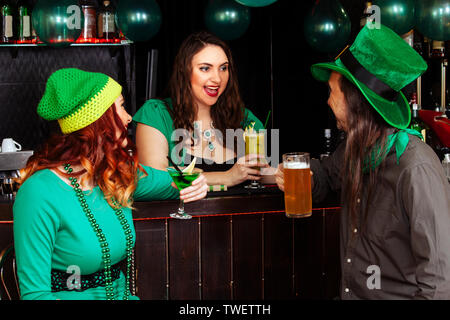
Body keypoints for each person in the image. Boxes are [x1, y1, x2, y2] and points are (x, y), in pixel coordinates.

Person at [276, 24, 450, 299]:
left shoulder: (417, 168)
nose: (328, 101)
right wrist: (303, 178)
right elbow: (325, 176)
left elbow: (439, 285)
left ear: (354, 100)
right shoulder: (354, 150)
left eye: (332, 91)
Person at [13, 68, 208, 300]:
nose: (128, 117)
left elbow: (170, 181)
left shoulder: (113, 175)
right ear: (97, 120)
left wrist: (194, 181)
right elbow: (35, 296)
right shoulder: (39, 193)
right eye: (121, 107)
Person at [133, 31, 272, 188]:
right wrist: (226, 177)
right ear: (185, 71)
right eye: (205, 68)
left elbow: (256, 174)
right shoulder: (156, 114)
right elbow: (155, 179)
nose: (217, 79)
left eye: (223, 68)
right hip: (183, 213)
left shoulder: (244, 118)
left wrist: (280, 175)